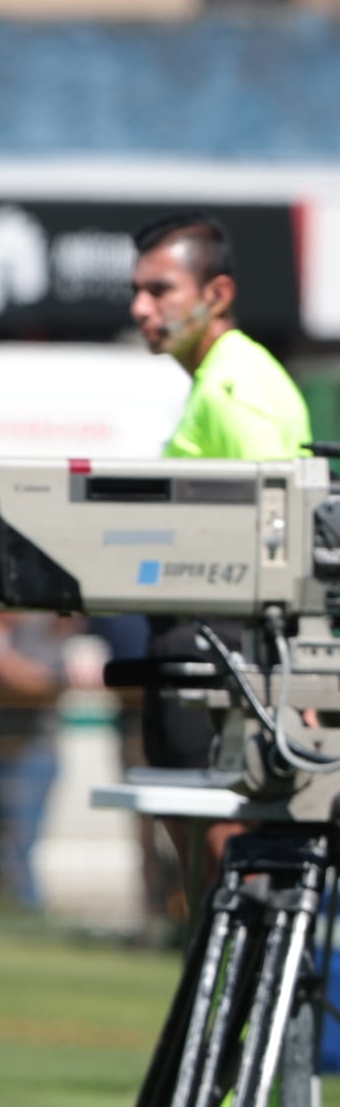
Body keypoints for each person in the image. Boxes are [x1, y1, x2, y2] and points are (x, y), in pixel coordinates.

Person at [129, 212, 312, 899]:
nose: (141, 307)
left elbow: (285, 535)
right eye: (138, 290)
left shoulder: (236, 389)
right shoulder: (215, 383)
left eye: (160, 289)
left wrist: (300, 694)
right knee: (212, 897)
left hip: (228, 667)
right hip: (208, 658)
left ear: (218, 294)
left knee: (233, 891)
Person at [0, 612, 69, 913]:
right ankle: (2, 911)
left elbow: (44, 682)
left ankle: (29, 917)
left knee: (18, 849)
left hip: (32, 754)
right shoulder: (3, 633)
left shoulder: (44, 629)